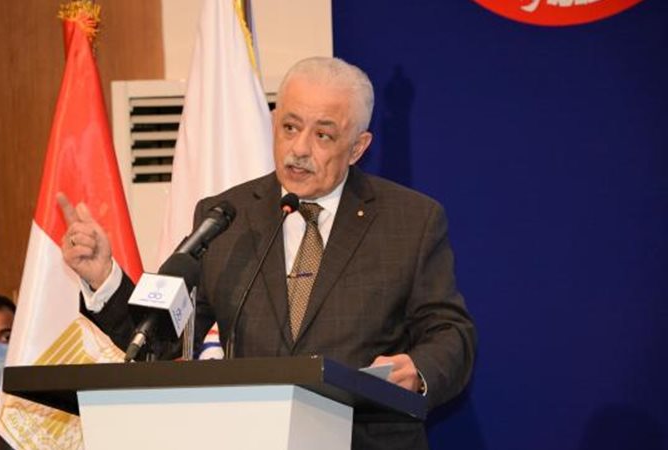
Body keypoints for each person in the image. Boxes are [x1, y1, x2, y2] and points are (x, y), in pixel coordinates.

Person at [59, 57, 477, 450]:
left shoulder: (410, 220)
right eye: (290, 127)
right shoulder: (226, 216)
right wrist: (104, 278)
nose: (299, 148)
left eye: (323, 135)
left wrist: (418, 370)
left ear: (357, 147)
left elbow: (451, 333)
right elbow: (165, 343)